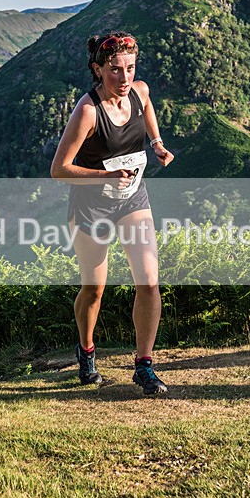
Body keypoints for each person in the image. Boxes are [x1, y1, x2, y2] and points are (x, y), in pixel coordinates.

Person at [50, 31, 174, 395]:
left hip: (133, 201)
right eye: (115, 70)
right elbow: (59, 169)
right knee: (94, 288)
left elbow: (148, 108)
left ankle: (144, 365)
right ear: (98, 69)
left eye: (130, 69)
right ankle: (86, 351)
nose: (124, 78)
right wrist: (107, 175)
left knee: (149, 282)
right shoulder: (88, 111)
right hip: (92, 208)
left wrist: (157, 144)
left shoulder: (140, 91)